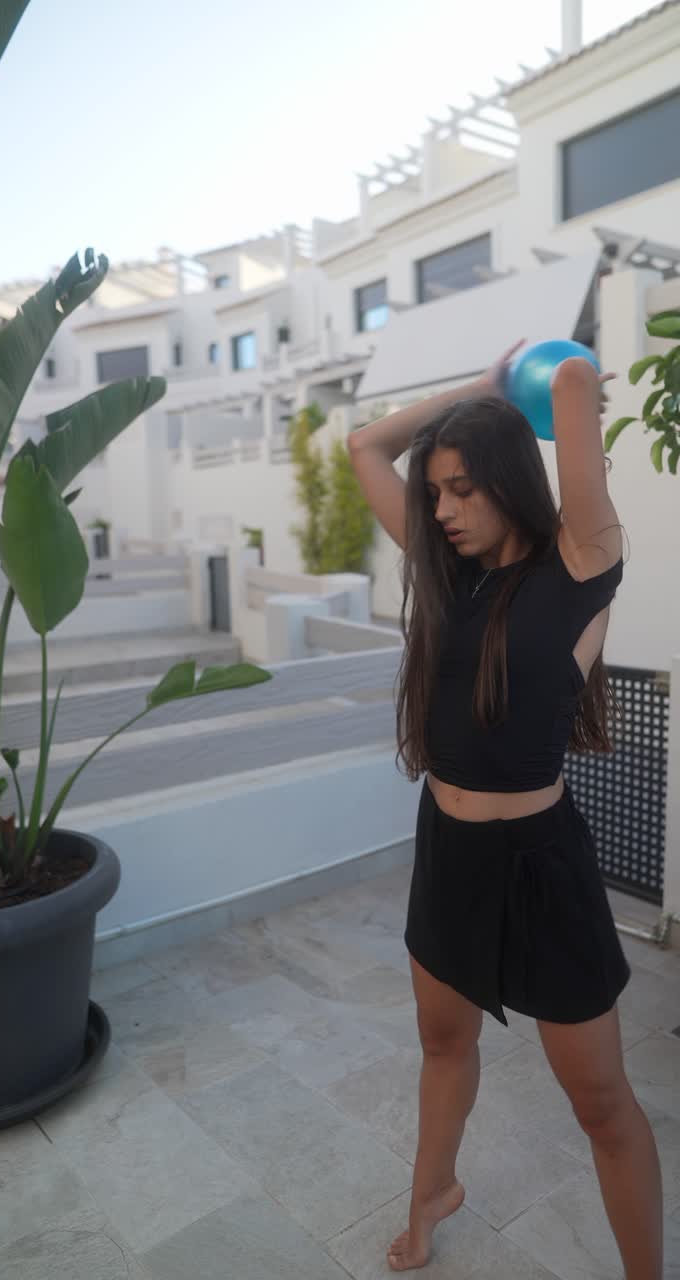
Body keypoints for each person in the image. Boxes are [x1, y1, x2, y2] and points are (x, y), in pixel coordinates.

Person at [347, 344, 663, 1278]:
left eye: (460, 490)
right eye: (434, 491)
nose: (439, 510)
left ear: (508, 485)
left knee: (602, 1103)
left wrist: (534, 378)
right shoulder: (451, 580)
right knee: (443, 1046)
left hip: (541, 864)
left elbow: (570, 385)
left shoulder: (579, 565)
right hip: (448, 853)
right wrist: (476, 392)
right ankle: (429, 1197)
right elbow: (367, 446)